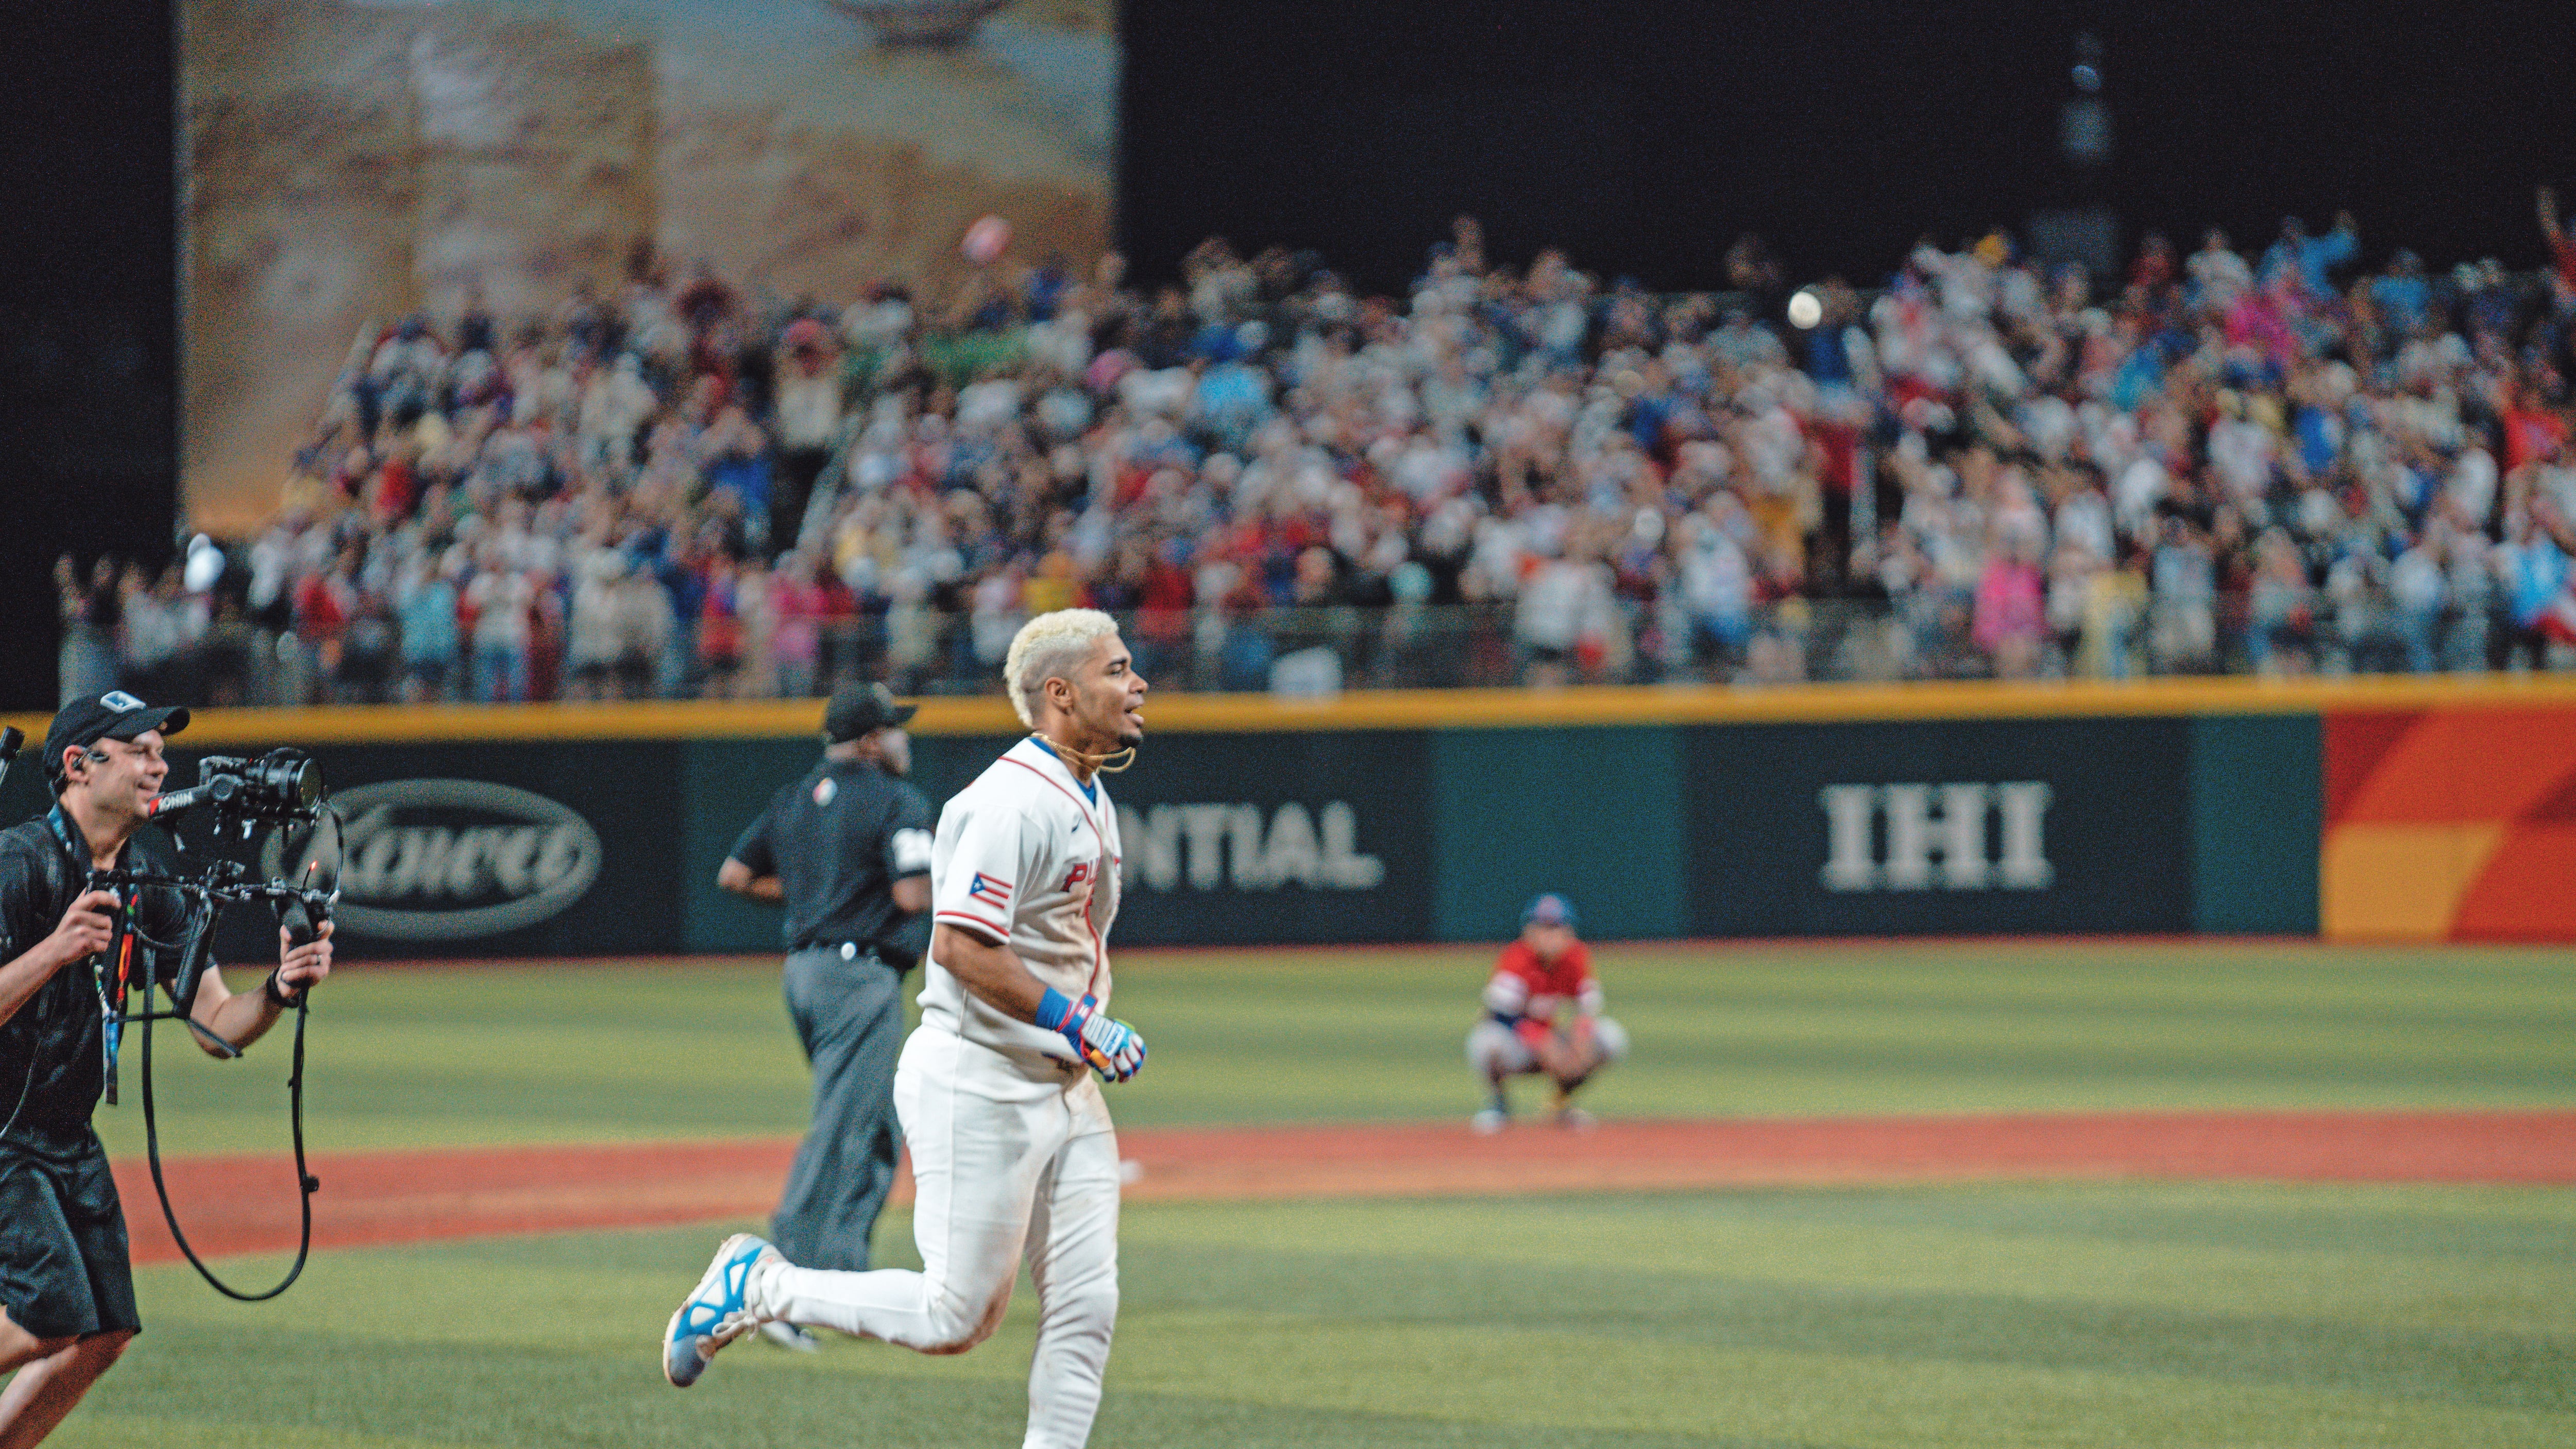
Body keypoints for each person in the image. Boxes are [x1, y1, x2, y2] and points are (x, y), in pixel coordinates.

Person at [664, 609, 1149, 1449]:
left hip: (1064, 1086)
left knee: (1086, 1306)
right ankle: (761, 1283)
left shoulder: (1088, 792)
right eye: (1118, 668)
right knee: (952, 1316)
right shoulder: (1009, 802)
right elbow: (957, 943)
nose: (1137, 682)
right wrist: (1079, 1019)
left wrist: (1080, 1028)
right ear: (1062, 694)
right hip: (981, 1080)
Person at [0, 691, 333, 1446]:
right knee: (47, 1314)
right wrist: (53, 949)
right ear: (81, 767)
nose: (161, 764)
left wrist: (281, 988)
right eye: (140, 749)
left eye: (161, 750)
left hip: (65, 1135)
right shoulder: (15, 863)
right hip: (1, 1133)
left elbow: (215, 1027)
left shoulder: (146, 880)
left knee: (105, 1330)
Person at [716, 683, 935, 1352]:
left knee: (875, 1126)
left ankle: (842, 1279)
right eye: (894, 729)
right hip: (858, 975)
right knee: (843, 1125)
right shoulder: (897, 799)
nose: (903, 738)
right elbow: (912, 891)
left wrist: (817, 891)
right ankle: (770, 1289)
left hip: (805, 974)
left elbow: (734, 874)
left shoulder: (795, 796)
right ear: (870, 740)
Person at [1466, 893, 1628, 1134]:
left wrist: (1580, 1040)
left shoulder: (1575, 956)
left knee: (1611, 1037)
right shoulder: (1516, 958)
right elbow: (1497, 1015)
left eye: (1556, 928)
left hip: (1555, 1045)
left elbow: (1588, 1009)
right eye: (1542, 927)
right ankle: (1498, 1104)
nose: (1549, 935)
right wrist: (1539, 1040)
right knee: (1485, 1041)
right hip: (1519, 1047)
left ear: (1569, 933)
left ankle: (1561, 1104)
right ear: (1528, 931)